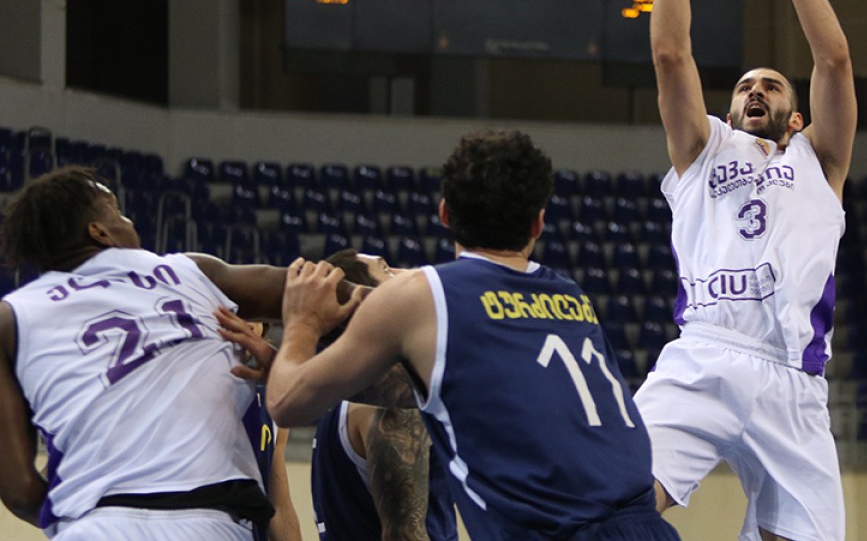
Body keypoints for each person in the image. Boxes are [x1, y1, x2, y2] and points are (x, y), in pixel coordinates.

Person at [227, 130, 679, 541]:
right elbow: (457, 385)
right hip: (646, 525)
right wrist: (311, 370)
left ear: (445, 212)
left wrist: (303, 324)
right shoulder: (570, 296)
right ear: (538, 224)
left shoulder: (429, 296)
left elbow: (286, 403)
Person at [633, 0, 857, 541]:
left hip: (794, 380)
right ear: (729, 110)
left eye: (772, 85)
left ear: (797, 117)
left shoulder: (820, 161)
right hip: (706, 354)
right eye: (744, 87)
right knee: (612, 507)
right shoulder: (703, 149)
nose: (755, 90)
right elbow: (670, 54)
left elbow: (835, 60)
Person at [0, 166, 353, 539]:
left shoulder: (11, 316)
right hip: (207, 519)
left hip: (93, 527)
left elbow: (20, 492)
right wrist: (383, 303)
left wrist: (83, 518)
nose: (130, 222)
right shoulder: (187, 271)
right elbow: (311, 289)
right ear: (99, 232)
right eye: (118, 212)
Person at [311, 249, 457, 541]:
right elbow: (405, 534)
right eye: (387, 270)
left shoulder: (344, 390)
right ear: (364, 303)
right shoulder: (392, 405)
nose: (405, 274)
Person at [241, 324, 302, 541]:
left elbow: (279, 509)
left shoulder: (270, 403)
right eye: (239, 313)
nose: (250, 324)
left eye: (257, 319)